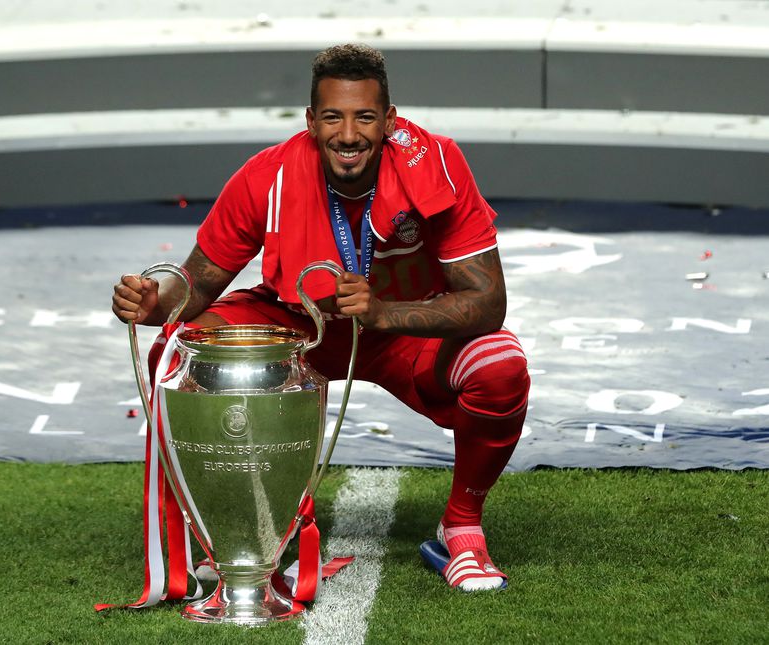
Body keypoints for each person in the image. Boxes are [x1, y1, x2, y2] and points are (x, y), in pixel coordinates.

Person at [112, 43, 530, 593]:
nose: (349, 134)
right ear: (311, 121)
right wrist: (155, 303)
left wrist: (383, 313)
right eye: (333, 116)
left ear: (389, 120)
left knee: (499, 363)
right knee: (180, 349)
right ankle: (226, 534)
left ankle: (462, 527)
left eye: (364, 117)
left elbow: (487, 302)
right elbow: (198, 282)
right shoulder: (267, 176)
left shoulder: (436, 165)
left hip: (402, 332)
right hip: (298, 330)